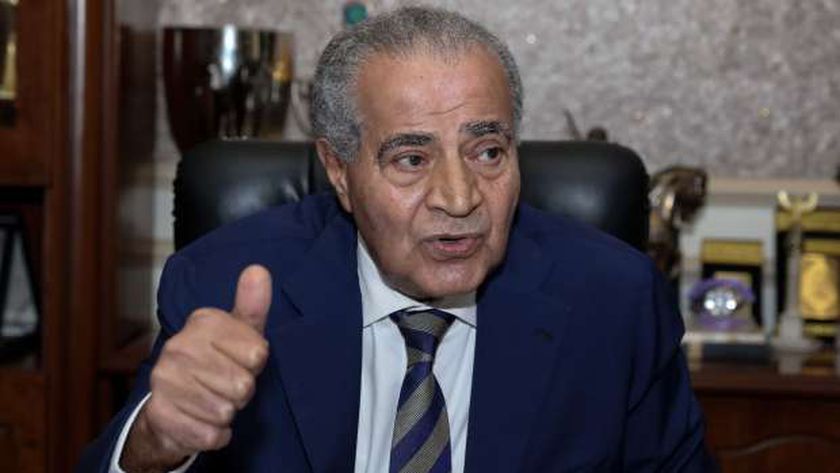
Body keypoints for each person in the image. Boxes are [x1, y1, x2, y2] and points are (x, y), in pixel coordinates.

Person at [79, 6, 712, 472]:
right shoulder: (222, 282)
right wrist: (154, 444)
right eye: (411, 159)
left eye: (488, 152)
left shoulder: (615, 303)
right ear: (338, 171)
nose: (459, 198)